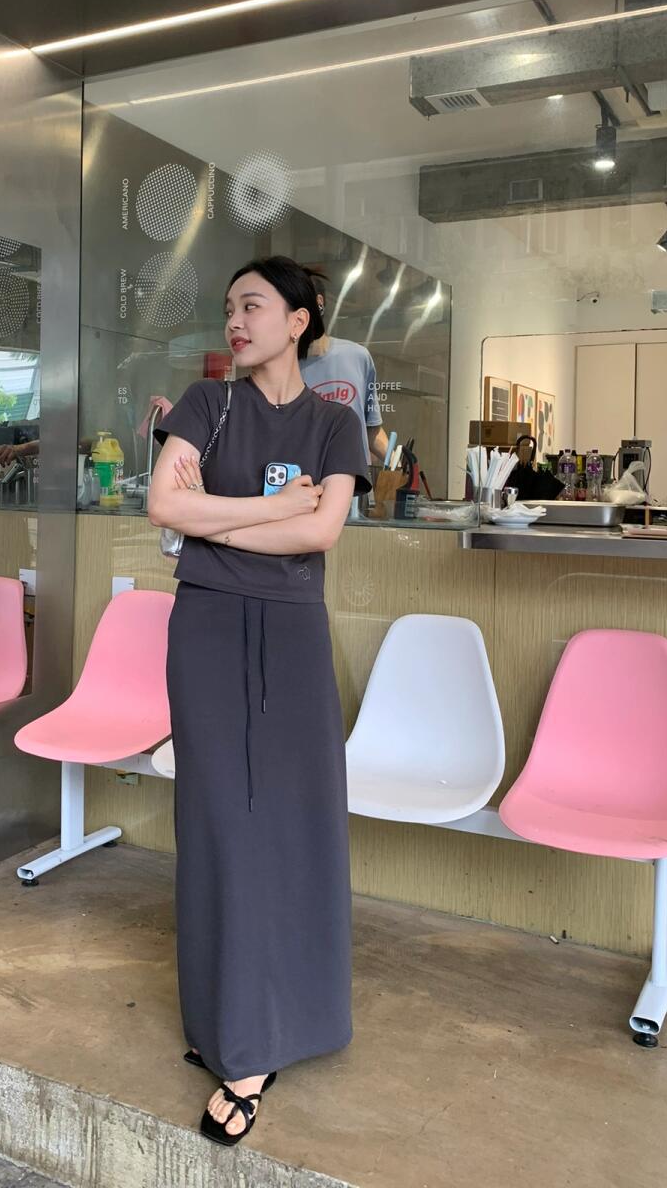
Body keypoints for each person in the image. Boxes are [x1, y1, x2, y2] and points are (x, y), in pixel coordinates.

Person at [147, 255, 371, 1148]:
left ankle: (296, 1018)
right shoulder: (206, 404)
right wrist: (269, 513)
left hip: (293, 639)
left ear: (299, 321)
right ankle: (237, 1038)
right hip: (205, 631)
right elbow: (164, 507)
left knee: (294, 824)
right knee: (220, 824)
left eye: (254, 306)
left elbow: (323, 530)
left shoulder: (334, 425)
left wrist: (218, 515)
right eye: (229, 308)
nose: (235, 322)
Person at [299, 267, 390, 465]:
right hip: (306, 478)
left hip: (356, 479)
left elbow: (371, 430)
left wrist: (399, 463)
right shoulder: (282, 368)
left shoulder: (358, 357)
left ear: (319, 303)